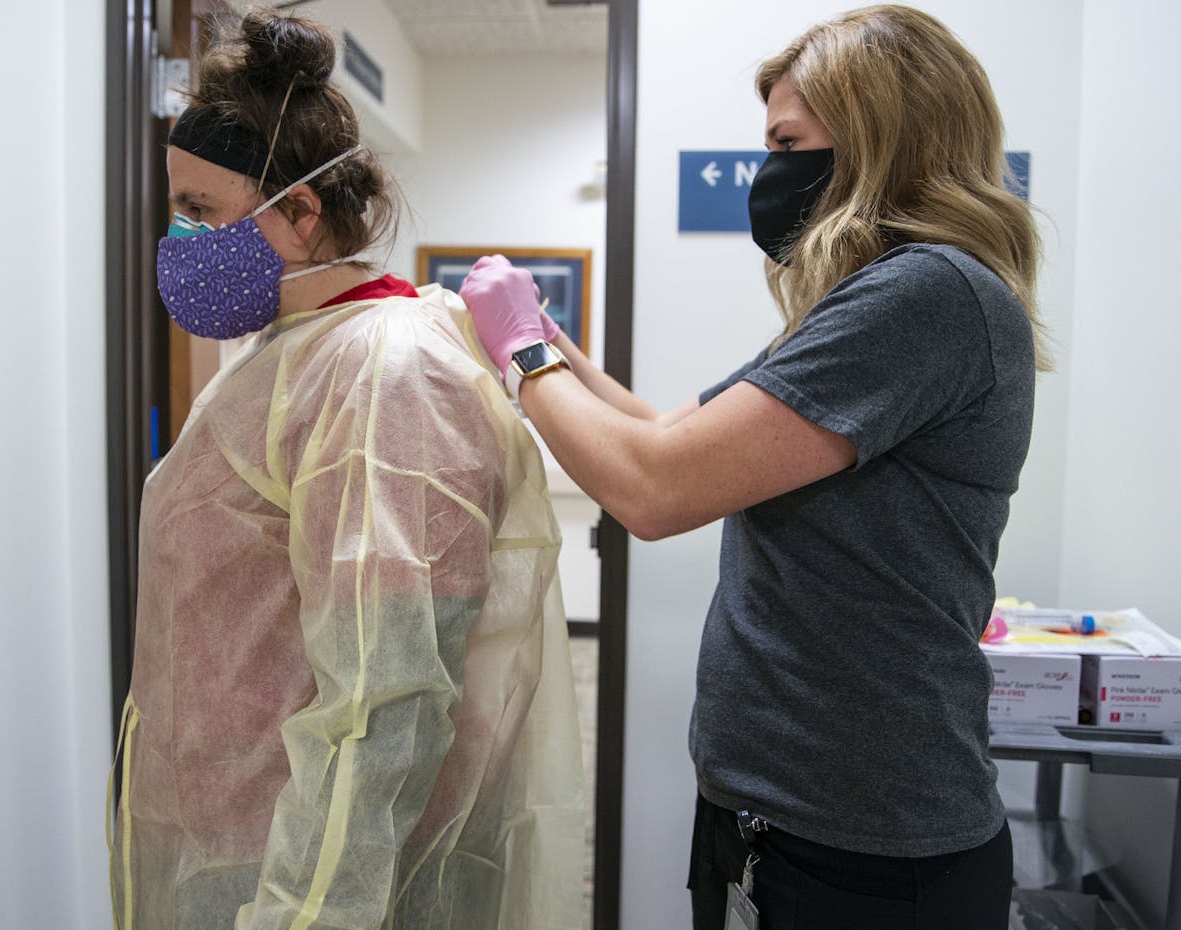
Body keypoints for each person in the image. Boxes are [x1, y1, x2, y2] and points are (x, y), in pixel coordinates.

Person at [459, 6, 1043, 929]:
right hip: (784, 811)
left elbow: (655, 488)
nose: (770, 171)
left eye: (787, 142)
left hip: (864, 846)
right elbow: (660, 427)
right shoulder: (869, 301)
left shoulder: (925, 294)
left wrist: (521, 355)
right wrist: (544, 339)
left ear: (877, 136)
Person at [107, 8, 584, 929]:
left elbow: (386, 703)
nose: (181, 240)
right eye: (177, 211)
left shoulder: (384, 370)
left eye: (202, 212)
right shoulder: (296, 353)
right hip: (237, 844)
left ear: (300, 211)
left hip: (313, 882)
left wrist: (305, 913)